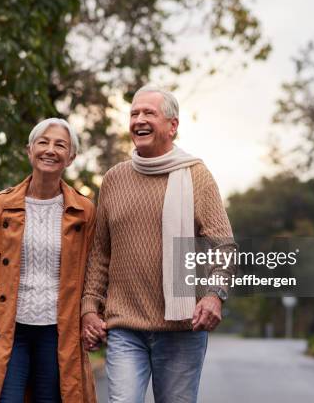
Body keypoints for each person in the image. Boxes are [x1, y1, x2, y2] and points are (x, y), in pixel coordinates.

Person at [80, 85, 237, 402]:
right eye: (134, 113)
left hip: (182, 330)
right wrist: (88, 309)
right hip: (124, 327)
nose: (139, 119)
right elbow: (100, 255)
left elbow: (224, 246)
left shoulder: (195, 175)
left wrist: (215, 295)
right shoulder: (113, 179)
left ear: (172, 125)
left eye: (148, 112)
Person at [0, 118, 97, 403]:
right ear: (29, 150)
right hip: (10, 329)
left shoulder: (84, 212)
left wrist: (92, 313)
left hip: (58, 331)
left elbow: (95, 271)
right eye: (43, 142)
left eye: (60, 145)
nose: (50, 150)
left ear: (70, 157)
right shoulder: (1, 206)